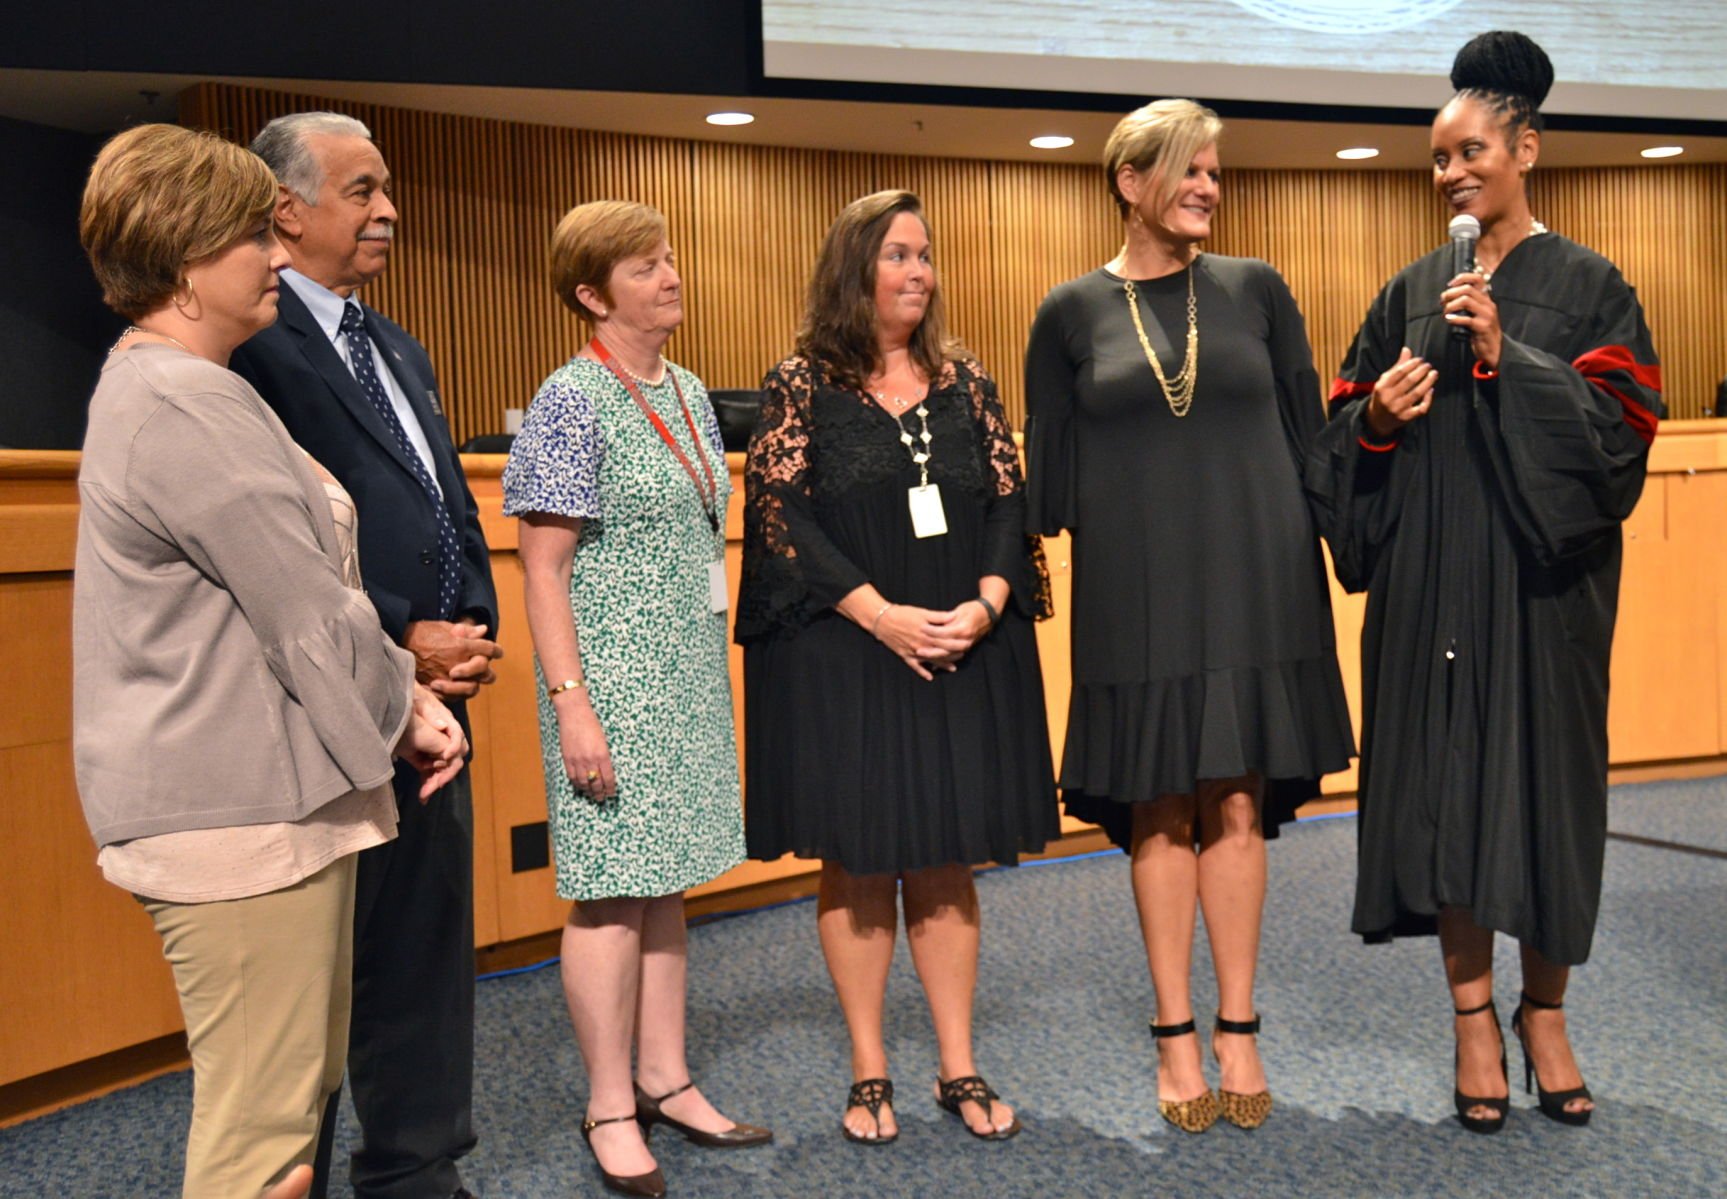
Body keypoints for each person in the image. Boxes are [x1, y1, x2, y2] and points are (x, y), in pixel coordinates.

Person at [72, 123, 467, 1199]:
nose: (279, 258)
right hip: (237, 820)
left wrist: (394, 698)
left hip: (256, 804)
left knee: (279, 1128)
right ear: (192, 258)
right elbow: (305, 613)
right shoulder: (182, 399)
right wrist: (409, 706)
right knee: (263, 1152)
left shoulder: (187, 383)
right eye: (257, 236)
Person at [1308, 31, 1663, 1133]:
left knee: (1549, 801)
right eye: (1436, 157)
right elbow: (1335, 438)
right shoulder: (1408, 291)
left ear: (1524, 152)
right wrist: (1370, 421)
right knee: (1443, 800)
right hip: (1426, 592)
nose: (1449, 173)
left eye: (1468, 151)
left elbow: (1615, 446)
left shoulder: (1592, 289)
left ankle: (1542, 1012)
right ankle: (1469, 1018)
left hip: (1538, 597)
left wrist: (1514, 359)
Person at [1023, 101, 1354, 1134]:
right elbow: (1047, 488)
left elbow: (1313, 442)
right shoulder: (1067, 311)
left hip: (1259, 578)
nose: (1209, 185)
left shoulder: (1257, 290)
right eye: (1189, 169)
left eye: (1216, 170)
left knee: (1240, 802)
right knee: (1160, 802)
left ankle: (1238, 1024)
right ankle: (1173, 1029)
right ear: (1129, 181)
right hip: (1135, 590)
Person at [738, 190, 1059, 1145]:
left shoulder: (967, 382)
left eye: (924, 255)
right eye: (896, 256)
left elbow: (1009, 501)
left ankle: (956, 1064)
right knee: (860, 855)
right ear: (853, 270)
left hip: (961, 641)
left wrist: (987, 602)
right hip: (847, 649)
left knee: (945, 854)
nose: (917, 273)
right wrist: (879, 614)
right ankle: (870, 1066)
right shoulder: (800, 384)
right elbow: (779, 516)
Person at [229, 112, 501, 1199]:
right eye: (361, 189)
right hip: (324, 704)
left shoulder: (394, 341)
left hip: (436, 706)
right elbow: (270, 543)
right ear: (285, 209)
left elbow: (443, 501)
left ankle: (416, 1171)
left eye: (386, 189)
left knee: (425, 953)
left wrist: (469, 621)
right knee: (320, 976)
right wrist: (398, 631)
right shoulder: (249, 344)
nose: (387, 211)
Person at [503, 199, 771, 1198]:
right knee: (611, 889)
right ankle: (609, 1099)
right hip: (608, 680)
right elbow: (540, 569)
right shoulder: (570, 399)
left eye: (669, 259)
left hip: (687, 676)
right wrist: (571, 701)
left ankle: (666, 1075)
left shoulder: (692, 389)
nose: (670, 277)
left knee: (667, 883)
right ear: (590, 291)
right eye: (645, 266)